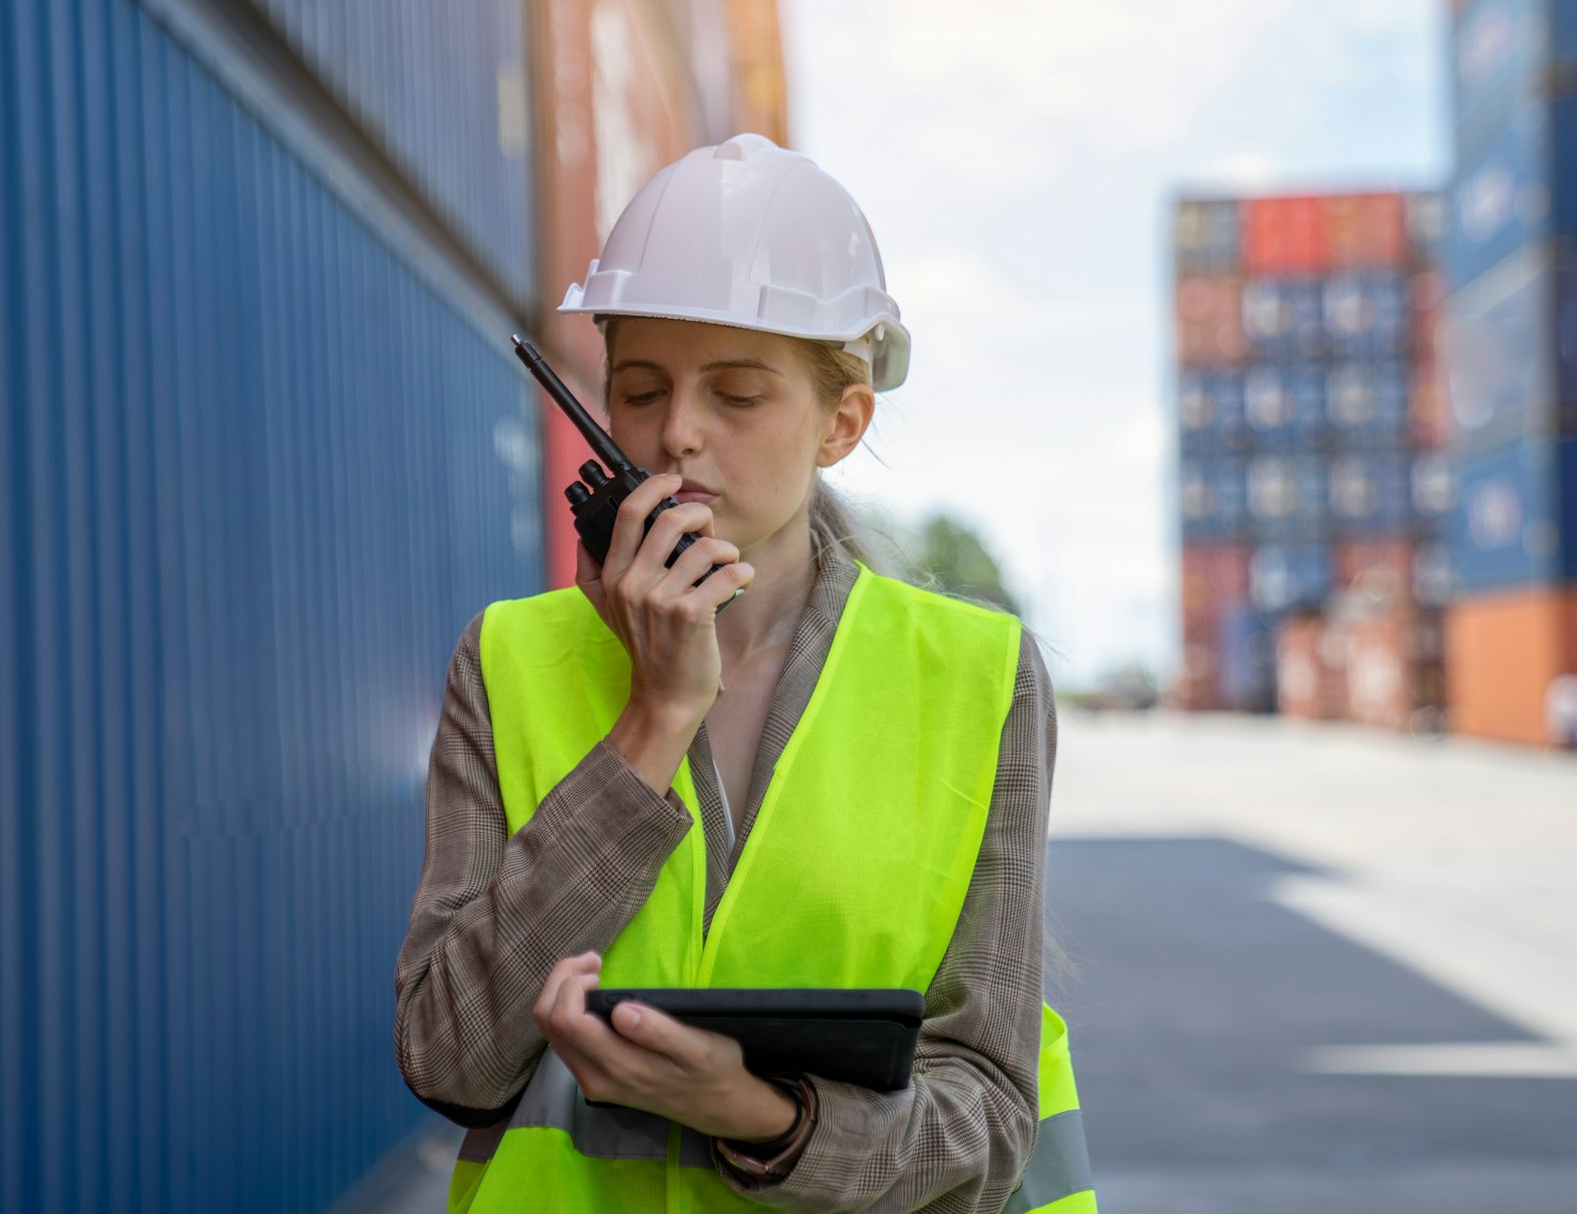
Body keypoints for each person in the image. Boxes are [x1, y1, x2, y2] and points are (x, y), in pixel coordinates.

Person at [394, 134, 1093, 1212]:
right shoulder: (504, 661)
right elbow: (450, 1057)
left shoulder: (978, 677)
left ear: (840, 422)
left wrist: (764, 1118)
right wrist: (653, 721)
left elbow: (990, 1120)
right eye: (640, 390)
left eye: (736, 394)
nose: (677, 433)